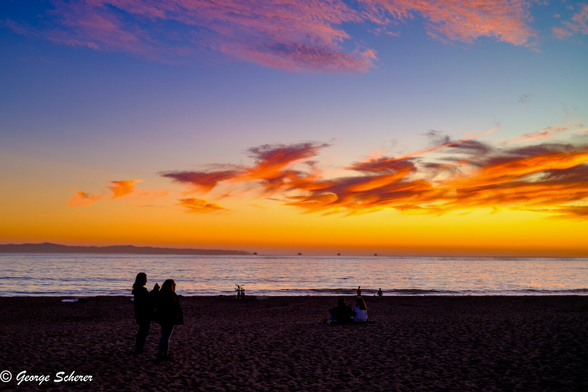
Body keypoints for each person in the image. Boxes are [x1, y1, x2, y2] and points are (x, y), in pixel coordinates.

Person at [154, 279, 183, 360]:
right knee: (166, 337)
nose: (175, 285)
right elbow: (173, 307)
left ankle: (160, 353)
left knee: (163, 336)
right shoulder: (171, 294)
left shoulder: (161, 293)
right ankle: (165, 355)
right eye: (174, 284)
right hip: (169, 317)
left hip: (162, 317)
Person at [132, 272, 159, 354]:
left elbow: (147, 298)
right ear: (141, 280)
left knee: (142, 332)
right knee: (143, 333)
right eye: (144, 279)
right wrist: (155, 292)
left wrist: (154, 291)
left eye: (146, 279)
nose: (146, 281)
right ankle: (139, 349)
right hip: (145, 314)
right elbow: (148, 301)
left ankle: (139, 348)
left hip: (141, 314)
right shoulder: (141, 290)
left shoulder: (138, 290)